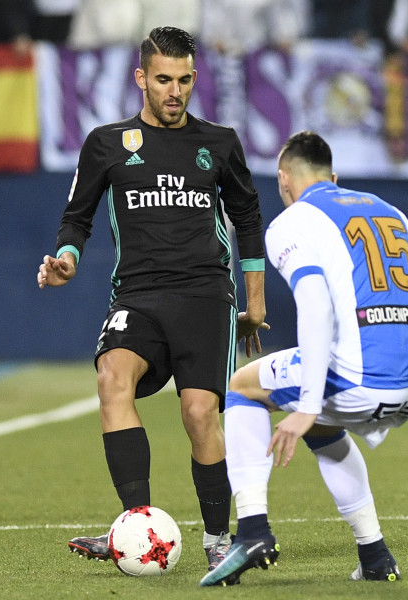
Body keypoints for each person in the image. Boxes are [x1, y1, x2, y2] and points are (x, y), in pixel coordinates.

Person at [199, 131, 408, 587]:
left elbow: (315, 306)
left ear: (284, 180)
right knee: (321, 427)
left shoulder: (292, 222)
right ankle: (375, 556)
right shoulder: (391, 212)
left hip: (363, 382)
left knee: (243, 386)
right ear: (334, 178)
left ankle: (253, 530)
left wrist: (309, 404)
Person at [36, 26, 269, 573]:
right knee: (111, 378)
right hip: (137, 295)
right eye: (163, 79)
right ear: (141, 77)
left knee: (198, 412)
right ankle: (135, 527)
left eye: (185, 80)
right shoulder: (107, 143)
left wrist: (253, 303)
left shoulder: (219, 143)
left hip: (205, 295)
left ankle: (219, 539)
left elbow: (249, 220)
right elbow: (77, 218)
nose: (175, 91)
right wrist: (66, 258)